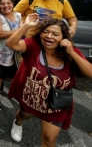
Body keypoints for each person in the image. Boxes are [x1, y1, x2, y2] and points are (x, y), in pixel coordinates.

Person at [6, 15, 92, 145]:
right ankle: (18, 122)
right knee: (24, 115)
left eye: (55, 34)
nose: (49, 36)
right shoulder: (33, 45)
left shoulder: (70, 52)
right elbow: (11, 44)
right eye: (45, 32)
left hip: (55, 104)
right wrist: (27, 25)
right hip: (31, 99)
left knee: (49, 139)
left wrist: (72, 53)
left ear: (63, 37)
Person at [0, 0, 21, 111]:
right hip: (1, 53)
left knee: (12, 76)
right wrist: (19, 30)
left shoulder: (18, 15)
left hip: (15, 53)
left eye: (8, 3)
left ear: (13, 4)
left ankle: (1, 84)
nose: (6, 6)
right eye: (2, 3)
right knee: (0, 76)